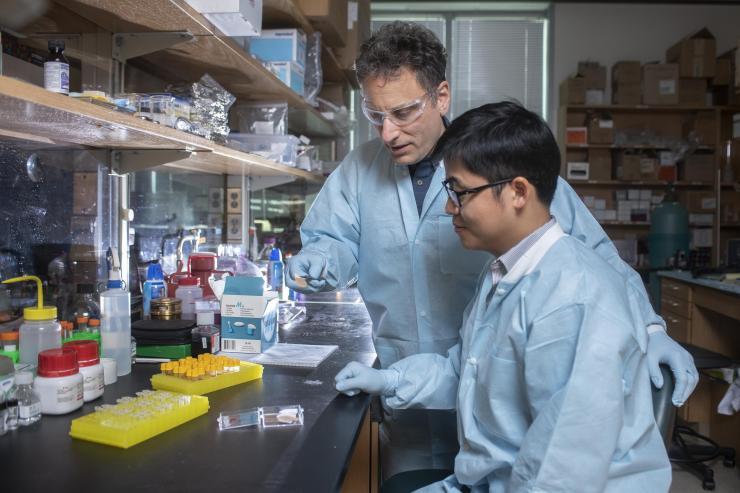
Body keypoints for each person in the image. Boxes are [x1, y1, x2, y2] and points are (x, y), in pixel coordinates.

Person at [287, 21, 696, 479]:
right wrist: (322, 259)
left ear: (441, 96)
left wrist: (650, 325)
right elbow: (334, 241)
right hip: (427, 386)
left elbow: (589, 254)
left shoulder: (498, 163)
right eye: (375, 115)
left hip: (513, 394)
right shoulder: (362, 170)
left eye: (402, 113)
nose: (388, 133)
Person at [335, 101, 672, 492]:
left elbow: (560, 475)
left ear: (517, 192)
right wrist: (390, 380)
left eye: (459, 191)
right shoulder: (505, 272)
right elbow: (465, 370)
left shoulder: (572, 299)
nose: (449, 207)